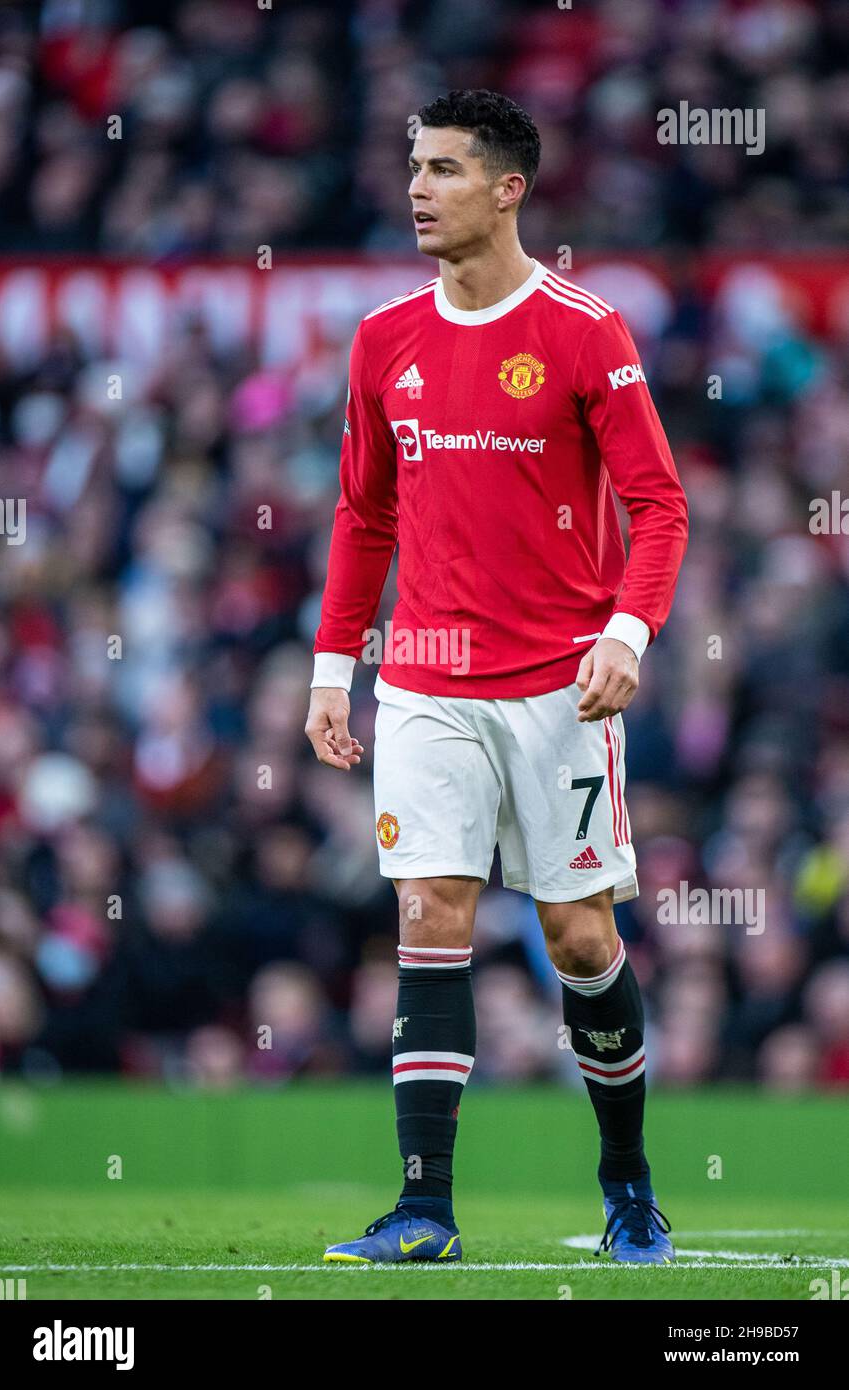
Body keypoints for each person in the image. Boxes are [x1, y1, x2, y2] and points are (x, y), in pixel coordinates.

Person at [304, 89, 687, 1265]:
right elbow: (363, 513)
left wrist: (627, 631)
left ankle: (624, 1177)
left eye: (445, 169)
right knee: (428, 912)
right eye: (413, 165)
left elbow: (659, 506)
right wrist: (333, 665)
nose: (418, 188)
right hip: (422, 678)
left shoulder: (583, 330)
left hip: (560, 688)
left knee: (577, 937)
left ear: (507, 189)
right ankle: (425, 1207)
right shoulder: (383, 340)